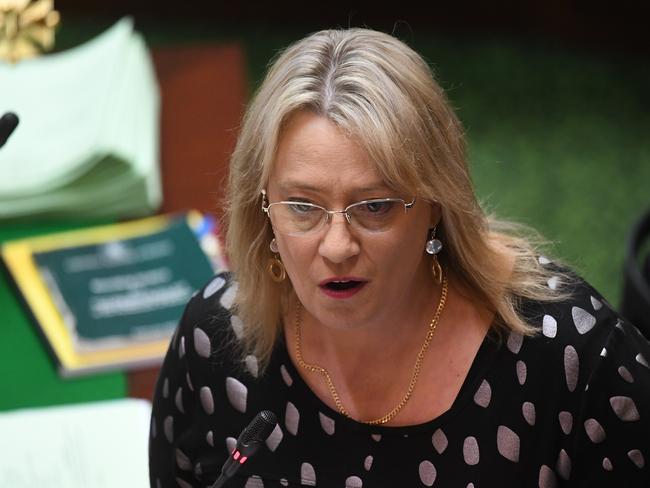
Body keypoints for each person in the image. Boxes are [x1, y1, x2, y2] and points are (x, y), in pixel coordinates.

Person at [149, 28, 650, 487]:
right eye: (303, 207)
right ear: (264, 210)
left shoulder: (577, 360)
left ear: (435, 205)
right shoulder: (216, 338)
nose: (337, 246)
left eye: (375, 207)